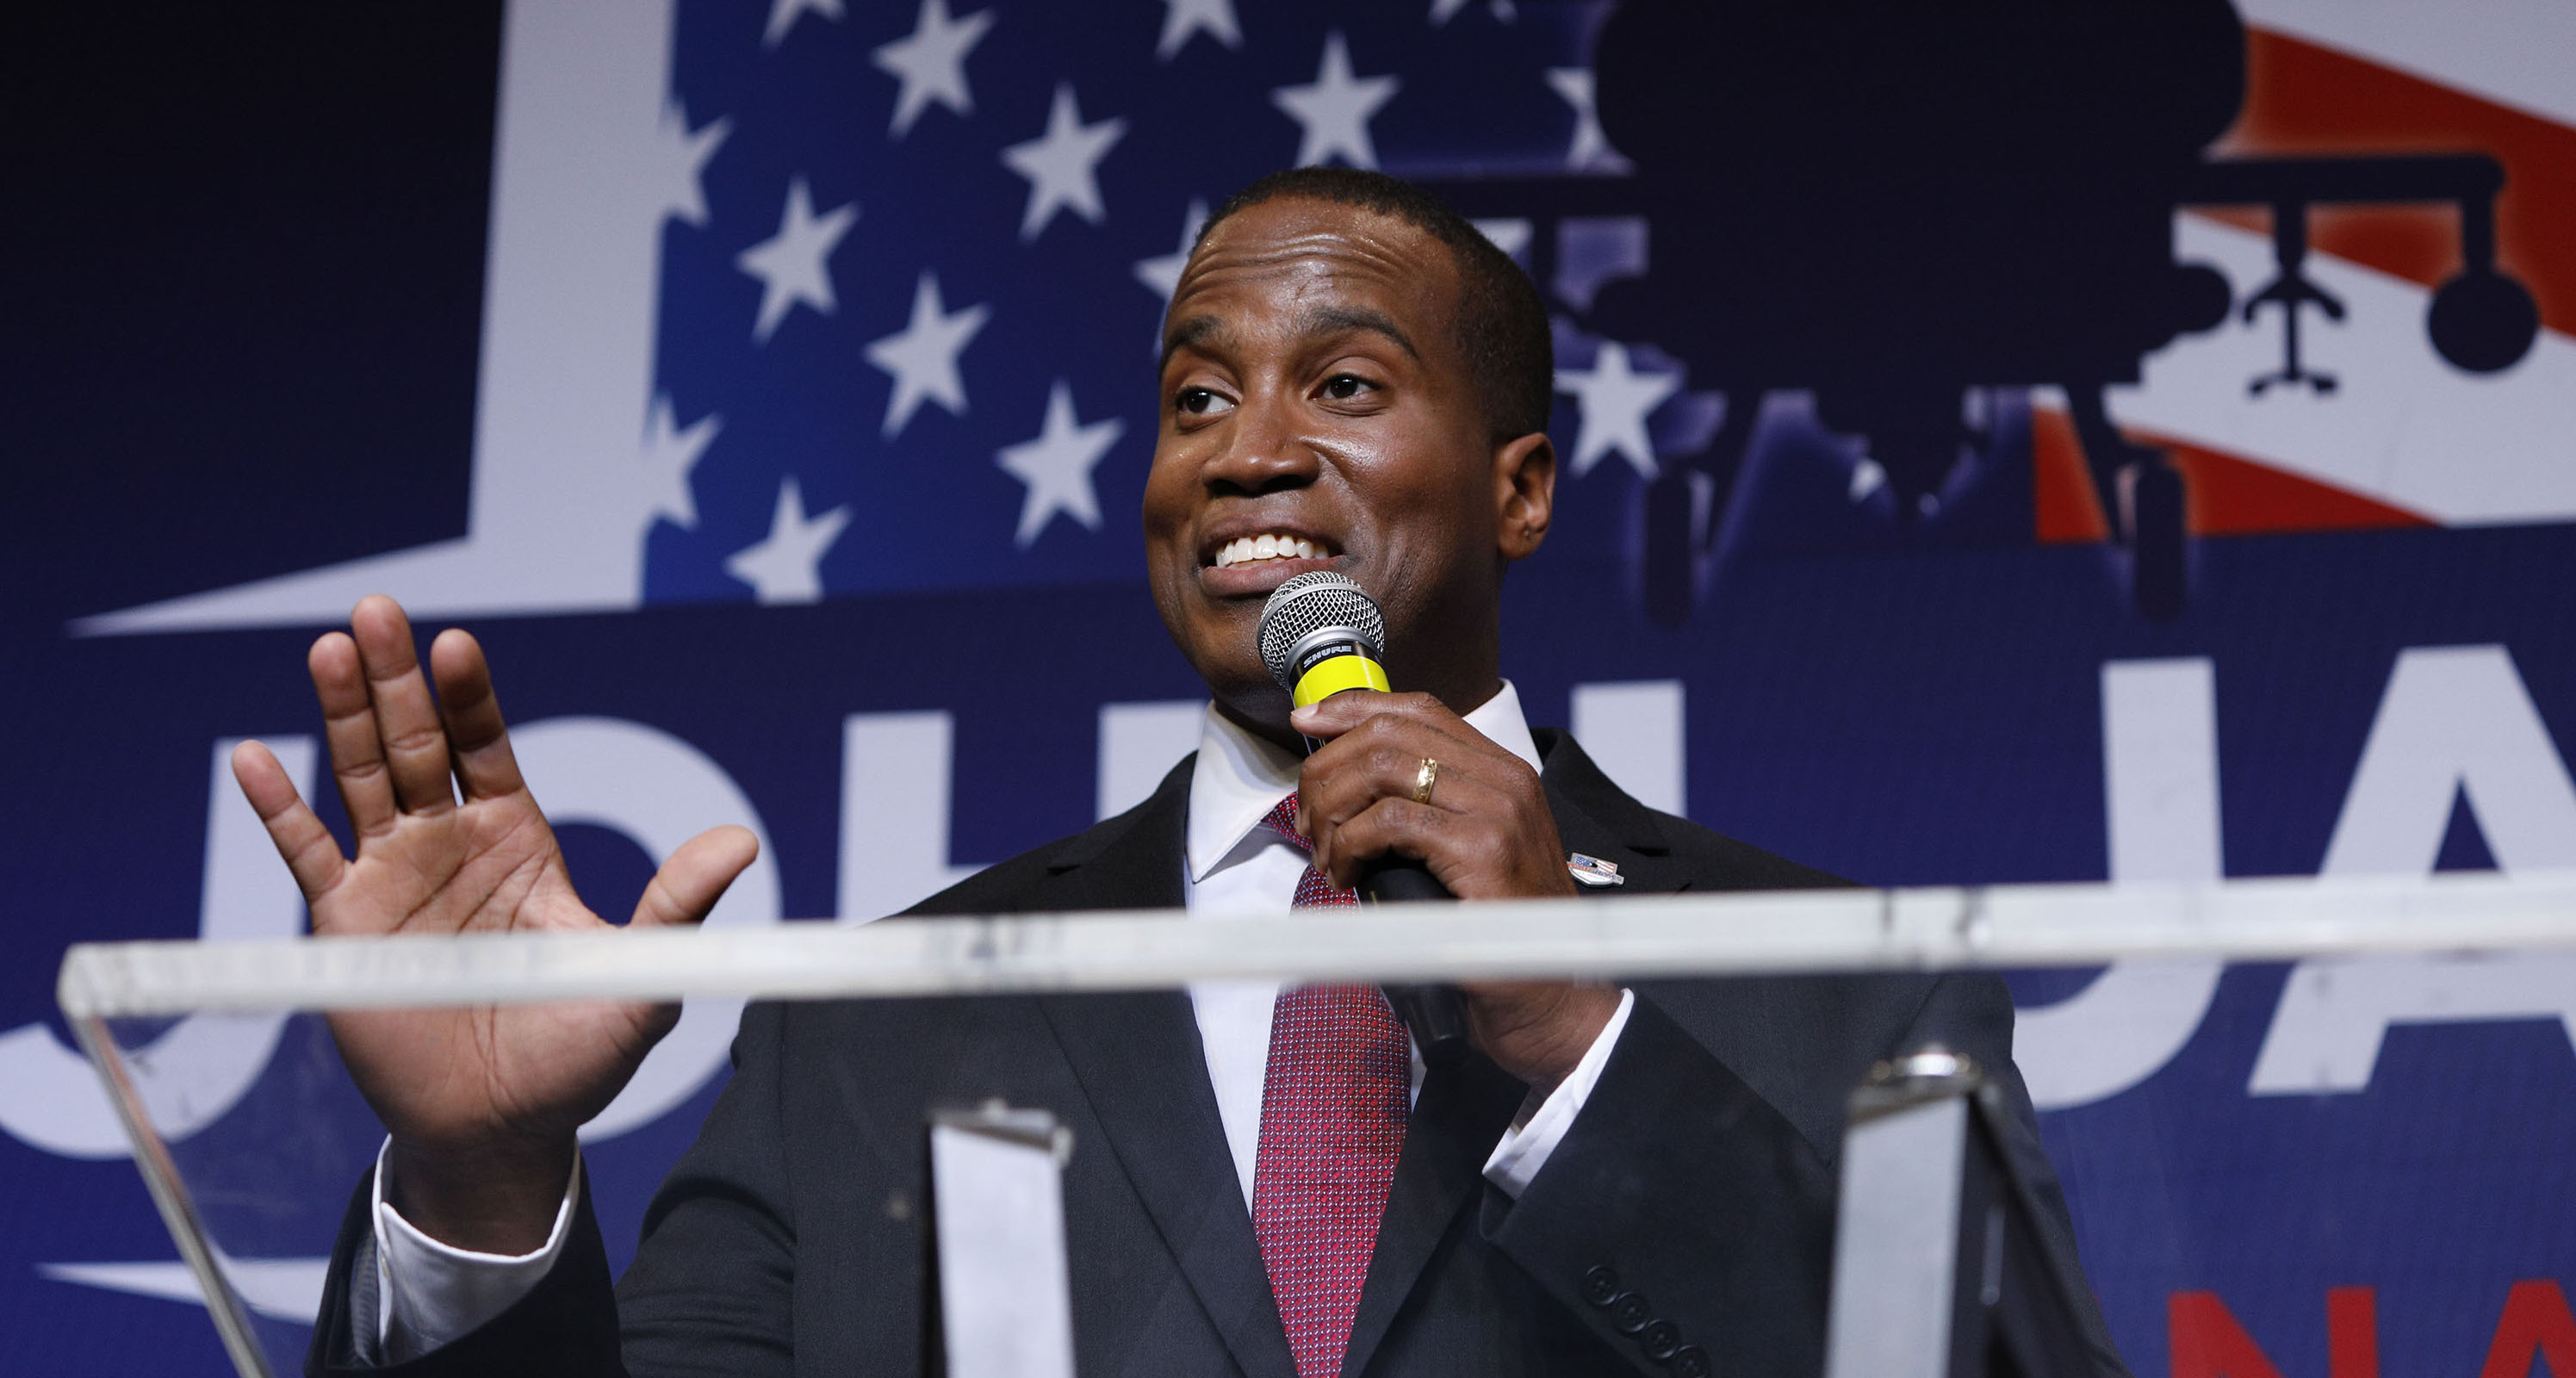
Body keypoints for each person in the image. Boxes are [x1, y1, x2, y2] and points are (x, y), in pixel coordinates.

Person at [233, 167, 2127, 1377]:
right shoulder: (877, 1025)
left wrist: (1574, 1031)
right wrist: (480, 1183)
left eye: (1346, 386)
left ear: (1519, 489)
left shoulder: (1836, 971)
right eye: (1197, 395)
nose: (1243, 451)